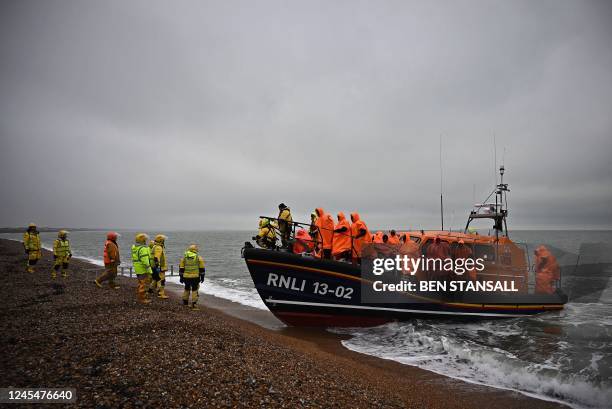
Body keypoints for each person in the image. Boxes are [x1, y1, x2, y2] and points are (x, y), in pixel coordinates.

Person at [179, 244, 205, 310]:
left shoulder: (184, 257)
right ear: (195, 250)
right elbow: (202, 268)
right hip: (195, 276)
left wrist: (181, 277)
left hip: (186, 276)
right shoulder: (198, 257)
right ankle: (193, 305)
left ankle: (185, 303)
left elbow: (181, 268)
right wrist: (202, 277)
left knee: (186, 288)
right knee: (194, 289)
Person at [131, 233, 153, 304]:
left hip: (138, 268)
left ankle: (141, 295)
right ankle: (142, 299)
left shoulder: (135, 247)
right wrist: (149, 269)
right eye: (145, 240)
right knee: (143, 283)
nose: (146, 241)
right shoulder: (143, 249)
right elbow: (145, 261)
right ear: (143, 240)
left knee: (140, 282)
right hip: (143, 269)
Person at [147, 234, 169, 299]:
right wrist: (157, 267)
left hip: (154, 266)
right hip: (159, 267)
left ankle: (150, 290)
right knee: (162, 280)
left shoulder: (155, 246)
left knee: (155, 279)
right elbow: (156, 257)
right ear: (161, 241)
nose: (164, 241)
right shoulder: (159, 247)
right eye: (163, 240)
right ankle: (161, 293)